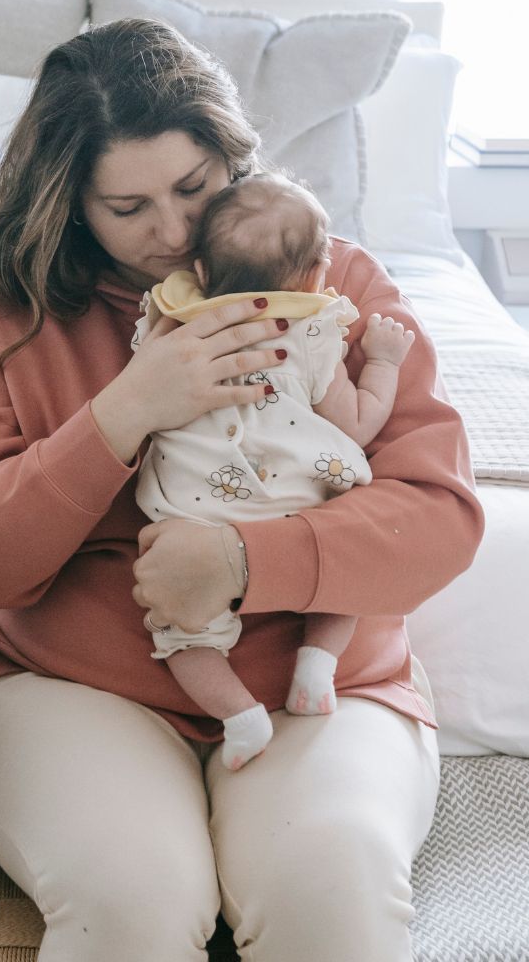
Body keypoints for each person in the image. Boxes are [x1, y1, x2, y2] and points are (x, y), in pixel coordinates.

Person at [0, 17, 483, 962]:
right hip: (76, 686)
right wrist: (125, 411)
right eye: (127, 207)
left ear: (232, 153)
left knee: (329, 893)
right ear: (71, 205)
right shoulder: (7, 320)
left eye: (194, 187)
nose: (175, 234)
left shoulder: (330, 282)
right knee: (129, 903)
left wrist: (240, 561)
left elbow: (440, 519)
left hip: (320, 682)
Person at [133, 172, 417, 771]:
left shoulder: (173, 326)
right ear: (315, 277)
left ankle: (240, 717)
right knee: (349, 569)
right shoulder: (313, 333)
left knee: (183, 636)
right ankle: (316, 666)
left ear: (200, 272)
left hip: (194, 519)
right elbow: (357, 424)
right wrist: (385, 363)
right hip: (297, 505)